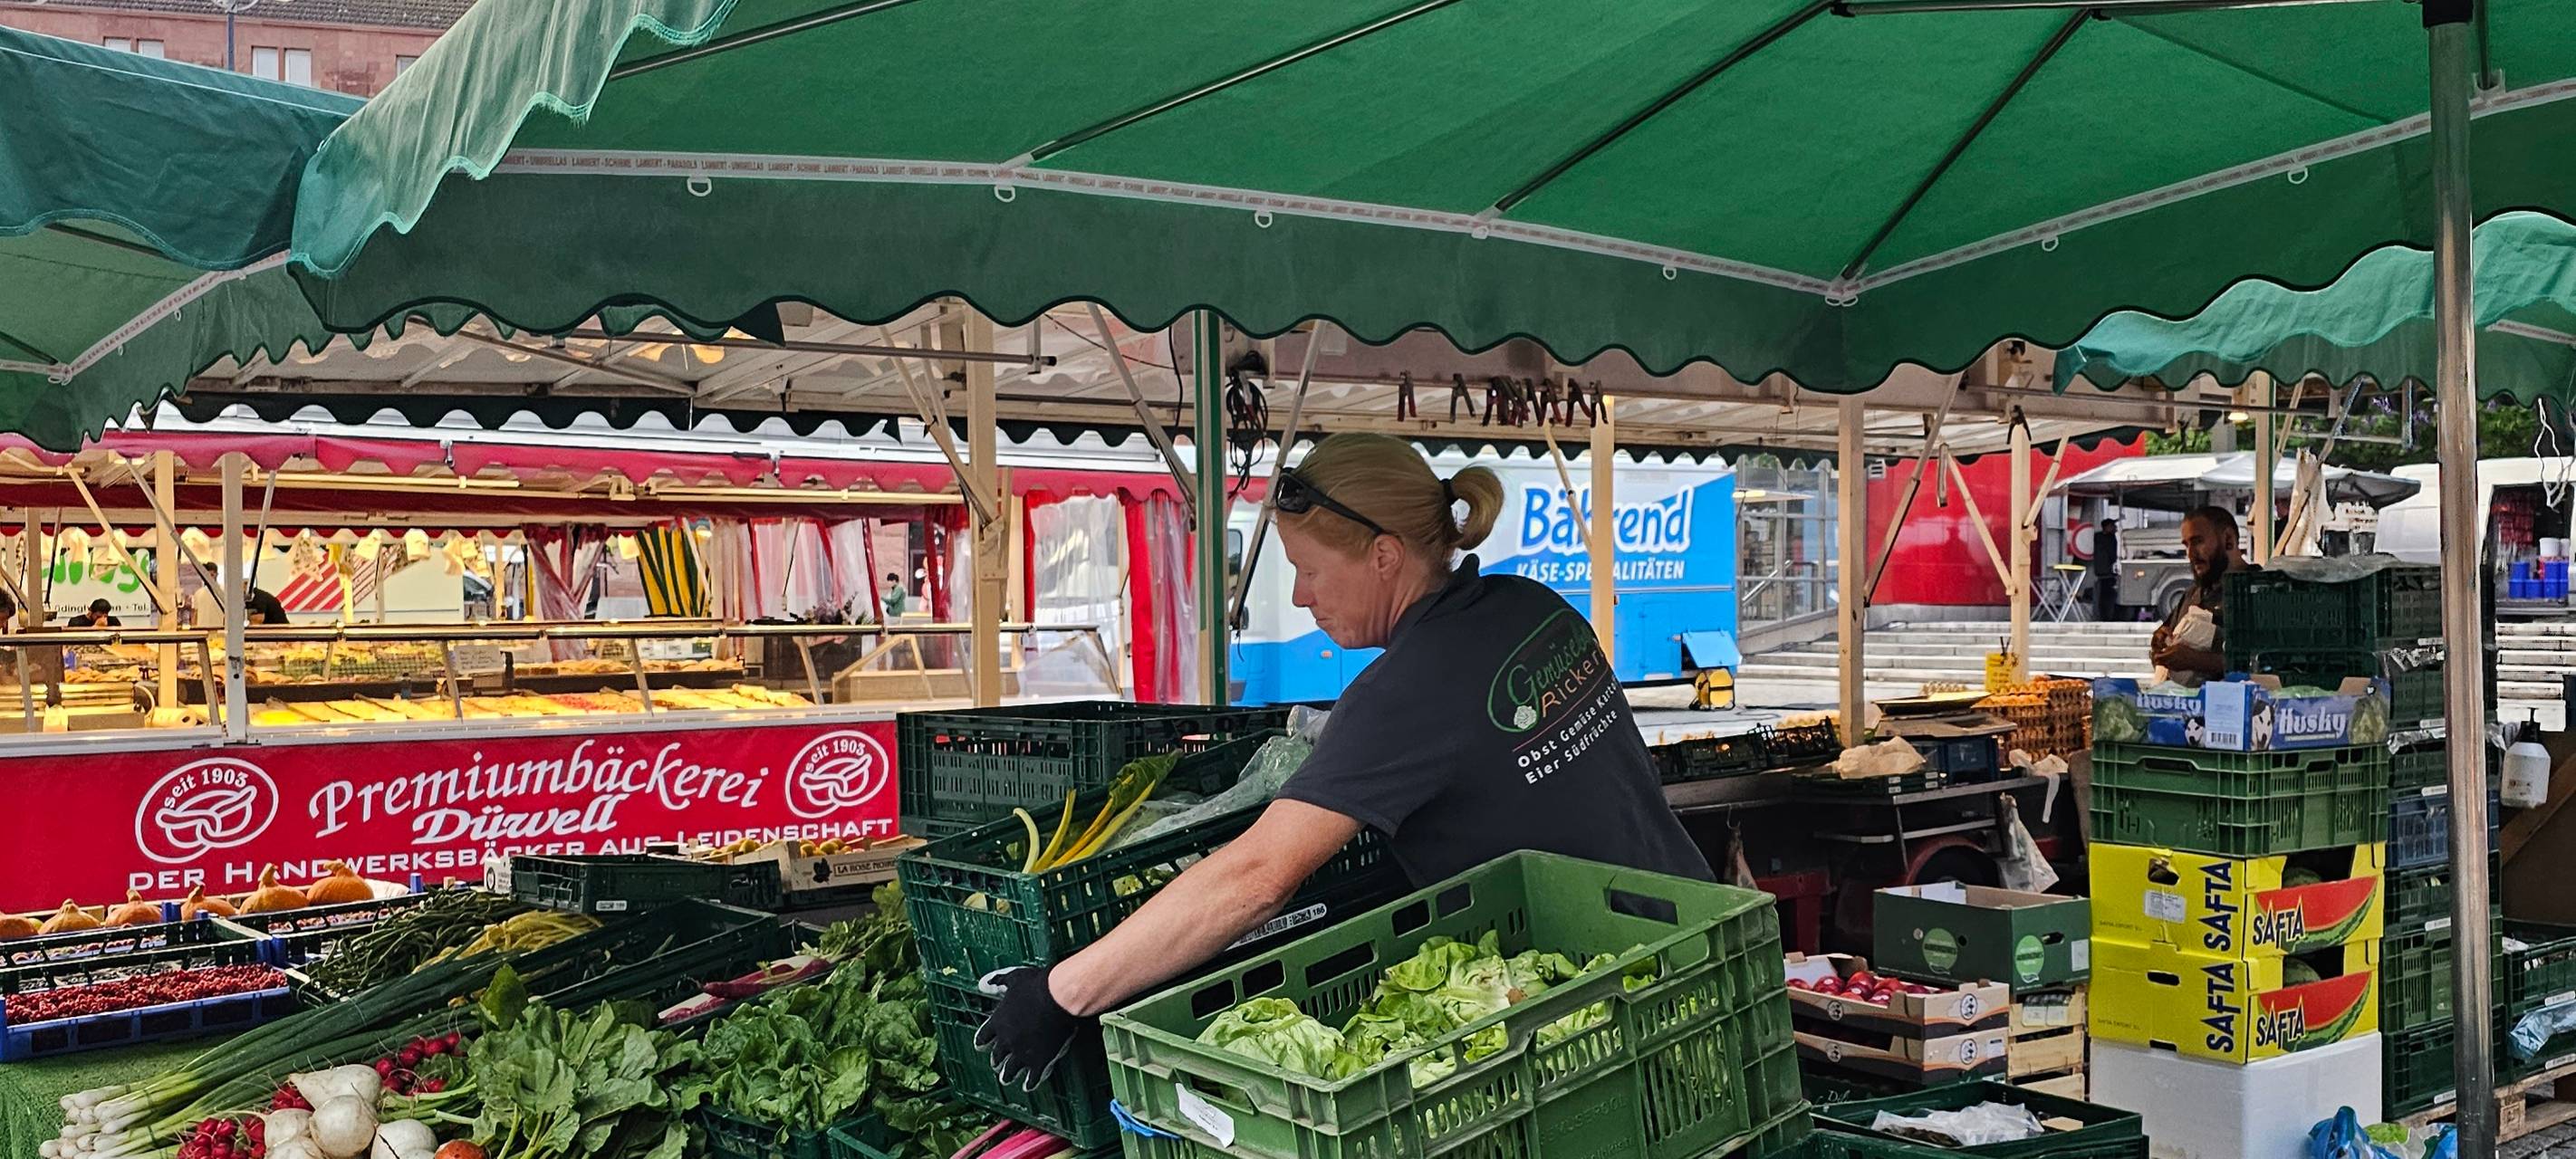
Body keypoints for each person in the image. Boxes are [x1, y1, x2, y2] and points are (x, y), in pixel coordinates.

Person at [973, 433, 1713, 1088]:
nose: (1300, 597)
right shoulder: (1530, 607)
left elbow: (1255, 879)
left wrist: (1062, 993)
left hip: (1606, 1005)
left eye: (1311, 571)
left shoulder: (1404, 690)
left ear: (1384, 556)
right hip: (1701, 935)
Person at [2149, 505, 2244, 682]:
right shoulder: (2192, 595)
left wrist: (2200, 661)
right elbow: (2167, 635)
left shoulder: (2260, 592)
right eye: (2187, 545)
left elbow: (2269, 667)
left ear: (2228, 539)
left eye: (2198, 542)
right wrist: (2161, 642)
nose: (2191, 554)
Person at [2091, 518, 2122, 621]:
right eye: (2112, 526)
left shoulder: (2098, 537)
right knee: (2108, 597)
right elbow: (2112, 554)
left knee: (2103, 597)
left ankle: (2105, 616)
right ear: (2107, 527)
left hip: (2102, 572)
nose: (2115, 528)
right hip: (2107, 572)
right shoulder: (2109, 539)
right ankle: (2108, 616)